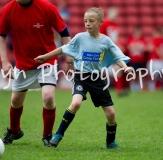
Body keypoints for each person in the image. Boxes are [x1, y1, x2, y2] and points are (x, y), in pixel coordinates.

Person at [35, 7, 131, 149]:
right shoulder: (80, 37)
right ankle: (58, 135)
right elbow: (64, 48)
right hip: (81, 76)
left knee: (111, 113)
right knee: (76, 104)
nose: (87, 23)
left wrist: (125, 67)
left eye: (91, 21)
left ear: (100, 23)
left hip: (98, 80)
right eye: (85, 21)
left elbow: (117, 56)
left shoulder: (106, 41)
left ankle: (110, 142)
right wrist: (45, 56)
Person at [0, 0, 72, 146]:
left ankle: (47, 135)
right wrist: (5, 62)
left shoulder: (47, 7)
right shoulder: (9, 9)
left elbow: (64, 33)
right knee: (16, 100)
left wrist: (69, 60)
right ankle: (14, 130)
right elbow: (0, 35)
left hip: (47, 61)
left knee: (48, 97)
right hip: (23, 64)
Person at [99, 7, 128, 96]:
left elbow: (114, 39)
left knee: (118, 68)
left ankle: (119, 90)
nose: (116, 16)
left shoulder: (114, 24)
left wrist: (119, 45)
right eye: (115, 14)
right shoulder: (104, 23)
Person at [127, 26, 146, 91]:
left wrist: (135, 46)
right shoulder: (131, 39)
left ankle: (138, 86)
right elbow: (129, 47)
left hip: (140, 60)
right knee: (133, 73)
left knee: (139, 73)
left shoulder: (142, 39)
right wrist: (137, 46)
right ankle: (132, 85)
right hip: (133, 60)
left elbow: (144, 48)